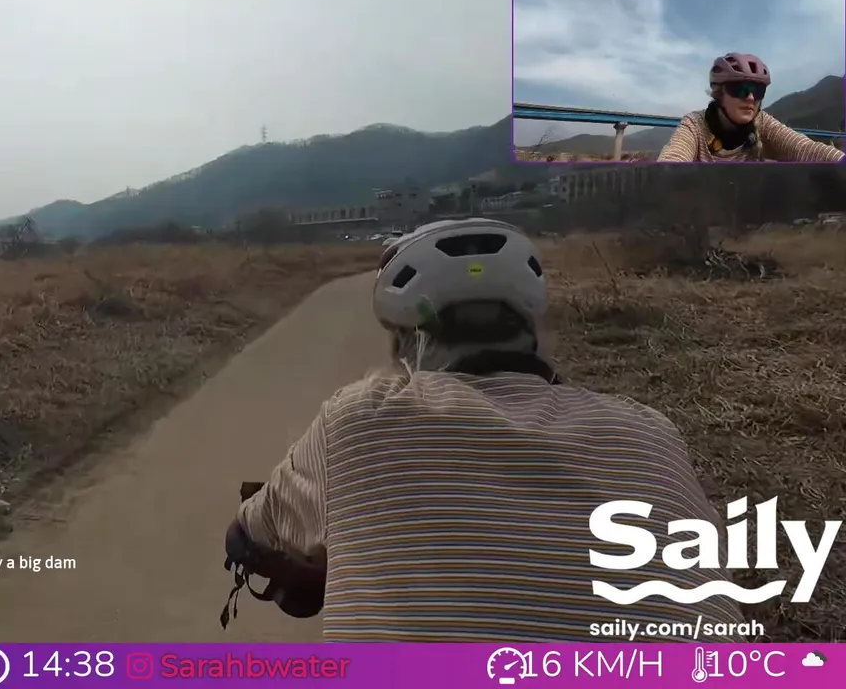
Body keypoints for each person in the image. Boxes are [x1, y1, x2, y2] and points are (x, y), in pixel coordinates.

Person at [227, 218, 745, 642]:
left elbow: (255, 529)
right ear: (530, 327)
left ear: (407, 341)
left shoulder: (359, 418)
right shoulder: (651, 433)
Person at [658, 53, 843, 163]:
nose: (750, 98)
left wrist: (841, 161)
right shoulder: (695, 124)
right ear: (719, 93)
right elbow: (673, 161)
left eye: (758, 90)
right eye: (739, 89)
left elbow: (805, 148)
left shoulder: (761, 122)